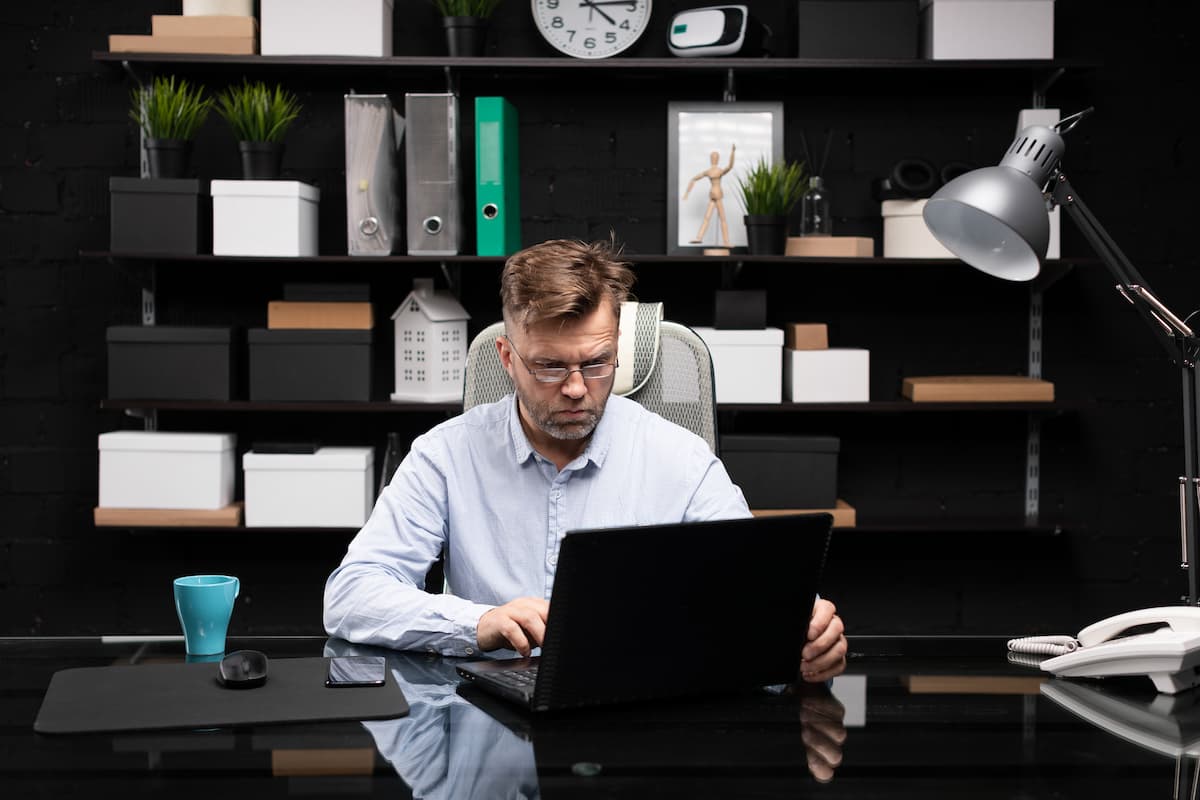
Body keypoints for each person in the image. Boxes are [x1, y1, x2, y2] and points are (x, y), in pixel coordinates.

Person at [323, 238, 847, 682]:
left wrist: (807, 635)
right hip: (488, 713)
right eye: (550, 367)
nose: (576, 388)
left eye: (597, 363)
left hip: (640, 711)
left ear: (617, 345)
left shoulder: (682, 460)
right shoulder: (446, 454)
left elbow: (758, 590)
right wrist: (477, 623)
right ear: (507, 358)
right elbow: (351, 595)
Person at [683, 143, 736, 248]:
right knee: (707, 217)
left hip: (717, 194)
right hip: (712, 195)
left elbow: (730, 166)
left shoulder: (718, 171)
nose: (713, 159)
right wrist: (687, 193)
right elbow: (694, 179)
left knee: (722, 218)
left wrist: (732, 152)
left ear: (717, 159)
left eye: (715, 157)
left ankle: (726, 241)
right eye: (712, 157)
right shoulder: (709, 171)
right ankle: (699, 238)